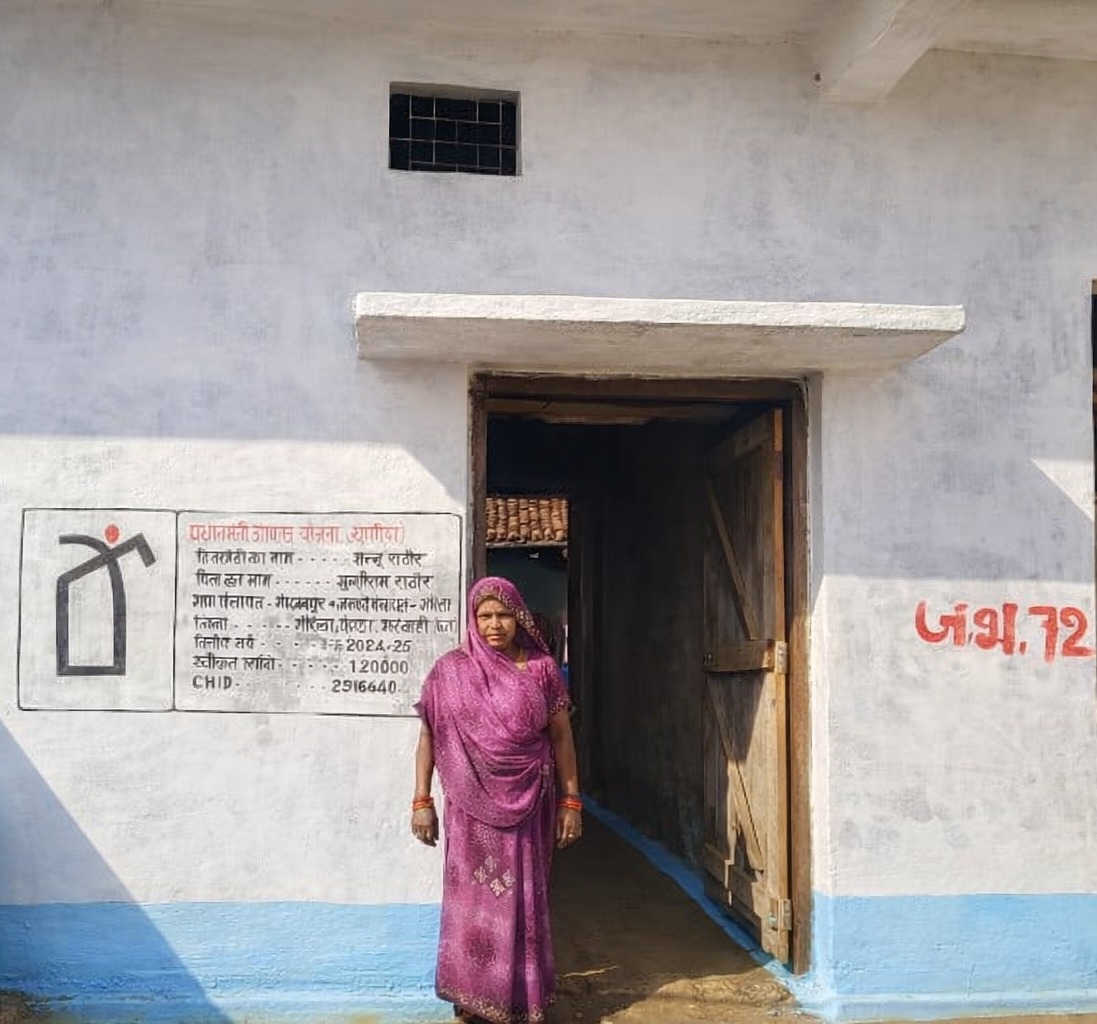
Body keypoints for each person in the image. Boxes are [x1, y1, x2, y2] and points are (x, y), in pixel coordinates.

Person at [411, 576, 582, 1024]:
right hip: (469, 811)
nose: (494, 624)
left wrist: (571, 801)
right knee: (472, 904)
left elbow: (562, 737)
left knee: (522, 899)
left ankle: (521, 999)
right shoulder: (449, 671)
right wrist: (421, 800)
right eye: (484, 615)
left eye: (504, 614)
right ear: (473, 619)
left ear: (519, 616)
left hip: (528, 806)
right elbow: (429, 736)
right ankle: (472, 999)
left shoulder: (542, 670)